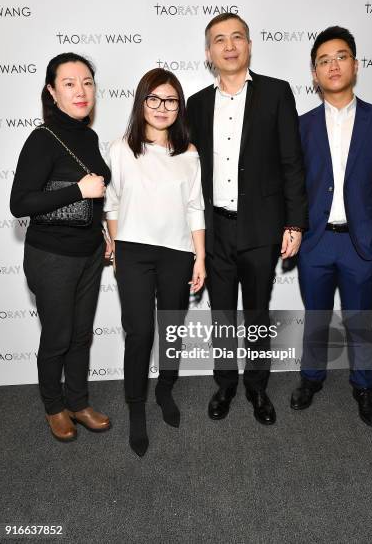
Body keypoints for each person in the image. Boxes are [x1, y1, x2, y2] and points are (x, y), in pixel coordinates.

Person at [186, 13, 308, 425]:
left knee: (256, 313)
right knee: (221, 314)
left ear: (249, 45)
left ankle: (257, 387)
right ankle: (225, 384)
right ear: (209, 53)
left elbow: (292, 162)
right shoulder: (197, 103)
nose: (230, 45)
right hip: (215, 227)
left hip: (260, 228)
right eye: (219, 40)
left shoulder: (276, 93)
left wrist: (295, 223)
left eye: (237, 37)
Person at [291, 26, 372, 427]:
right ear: (314, 73)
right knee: (316, 316)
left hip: (361, 244)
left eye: (340, 57)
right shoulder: (300, 126)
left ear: (355, 64)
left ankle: (364, 386)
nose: (332, 65)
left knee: (360, 320)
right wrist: (298, 233)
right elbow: (293, 187)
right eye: (323, 60)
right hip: (316, 243)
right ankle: (311, 378)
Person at [10, 52, 112, 442]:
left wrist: (101, 228)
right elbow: (20, 203)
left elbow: (96, 194)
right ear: (52, 92)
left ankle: (79, 401)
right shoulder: (42, 139)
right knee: (58, 335)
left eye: (87, 82)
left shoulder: (87, 136)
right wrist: (78, 189)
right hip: (51, 256)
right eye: (69, 83)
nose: (81, 90)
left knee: (81, 334)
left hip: (88, 253)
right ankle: (55, 407)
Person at [105, 68, 205, 457]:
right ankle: (136, 410)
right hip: (133, 252)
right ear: (141, 101)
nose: (162, 108)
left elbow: (195, 207)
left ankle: (165, 390)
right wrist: (115, 246)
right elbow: (111, 202)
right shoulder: (119, 149)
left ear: (179, 107)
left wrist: (200, 257)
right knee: (140, 333)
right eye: (154, 99)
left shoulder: (189, 154)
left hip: (178, 253)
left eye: (170, 101)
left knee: (170, 330)